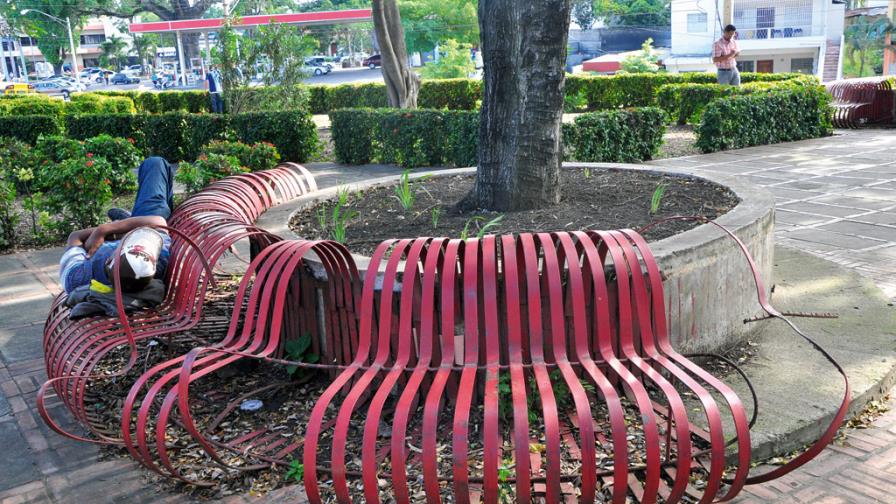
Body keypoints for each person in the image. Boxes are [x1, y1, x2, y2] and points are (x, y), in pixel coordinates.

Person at [60, 157, 176, 296]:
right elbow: (158, 222)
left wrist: (110, 231)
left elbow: (74, 236)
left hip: (141, 227)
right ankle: (126, 220)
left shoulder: (77, 277)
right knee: (155, 164)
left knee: (154, 166)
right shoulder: (157, 257)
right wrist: (105, 230)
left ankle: (126, 220)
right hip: (147, 222)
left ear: (108, 260)